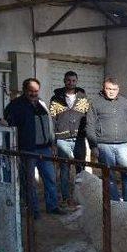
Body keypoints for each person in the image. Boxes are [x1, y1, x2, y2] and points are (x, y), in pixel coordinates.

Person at [5, 78, 63, 218]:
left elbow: (49, 124)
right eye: (31, 91)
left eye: (36, 91)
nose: (34, 93)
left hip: (45, 149)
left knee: (50, 178)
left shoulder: (41, 103)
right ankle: (34, 211)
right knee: (29, 182)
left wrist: (52, 142)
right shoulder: (15, 106)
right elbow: (9, 127)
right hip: (27, 149)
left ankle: (53, 206)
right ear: (24, 90)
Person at [86, 77, 127, 202]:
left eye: (114, 89)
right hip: (104, 145)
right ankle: (113, 203)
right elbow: (90, 125)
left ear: (118, 89)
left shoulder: (125, 102)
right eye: (109, 88)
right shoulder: (95, 102)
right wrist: (93, 146)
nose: (111, 91)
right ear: (104, 88)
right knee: (108, 176)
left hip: (123, 146)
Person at [49, 71, 90, 207]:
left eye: (73, 80)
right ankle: (66, 198)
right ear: (64, 81)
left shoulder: (83, 98)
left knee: (80, 169)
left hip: (79, 138)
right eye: (68, 80)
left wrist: (87, 136)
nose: (71, 83)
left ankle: (80, 197)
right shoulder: (55, 98)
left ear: (76, 81)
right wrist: (54, 140)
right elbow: (52, 120)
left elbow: (88, 118)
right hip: (62, 139)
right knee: (64, 169)